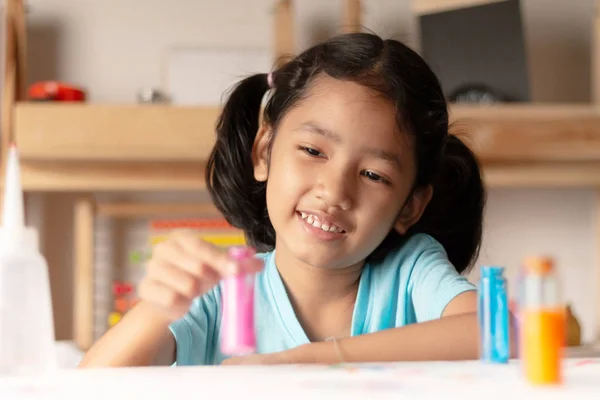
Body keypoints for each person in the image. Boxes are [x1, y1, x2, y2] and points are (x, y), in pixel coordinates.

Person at [80, 32, 501, 368]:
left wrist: (310, 361)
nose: (334, 192)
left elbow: (499, 332)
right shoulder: (219, 295)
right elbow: (87, 387)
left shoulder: (411, 274)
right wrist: (158, 309)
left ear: (410, 205)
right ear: (264, 151)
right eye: (313, 151)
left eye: (373, 175)